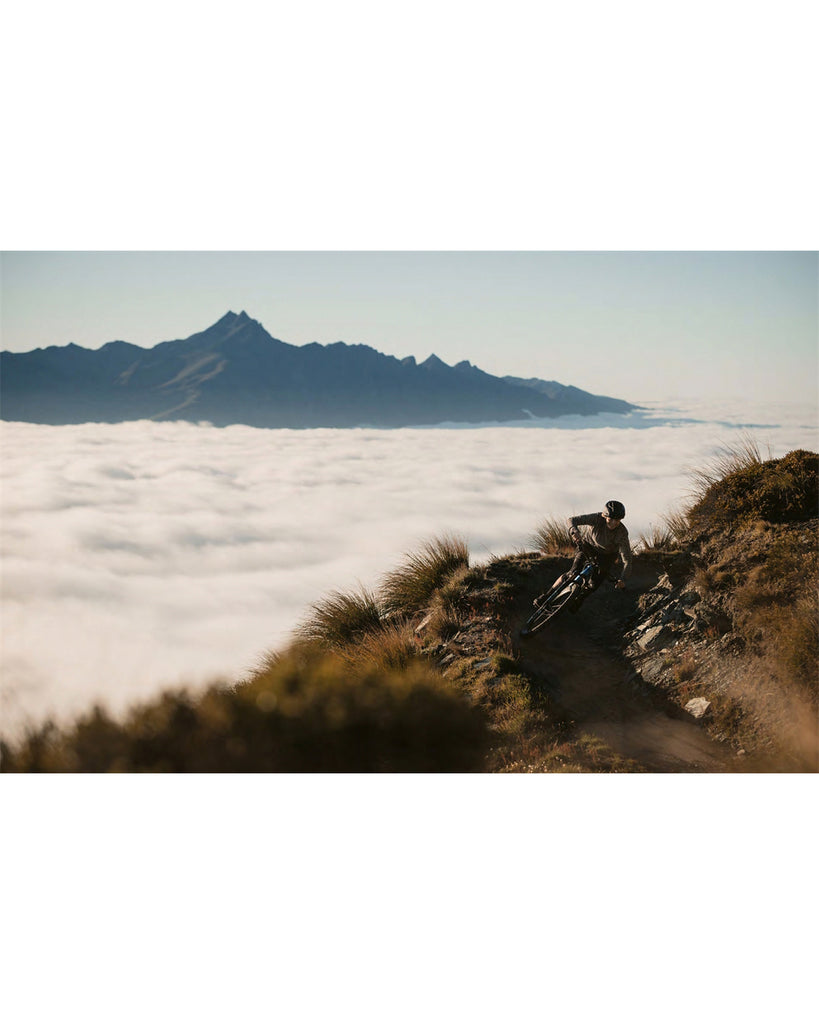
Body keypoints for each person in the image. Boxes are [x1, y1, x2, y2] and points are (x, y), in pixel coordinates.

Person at [534, 500, 632, 606]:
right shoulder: (597, 518)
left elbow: (627, 558)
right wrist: (574, 531)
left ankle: (579, 599)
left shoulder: (622, 533)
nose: (613, 523)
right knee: (572, 573)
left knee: (593, 584)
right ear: (604, 516)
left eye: (617, 520)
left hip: (607, 556)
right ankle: (547, 596)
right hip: (588, 547)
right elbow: (572, 520)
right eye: (610, 519)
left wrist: (623, 579)